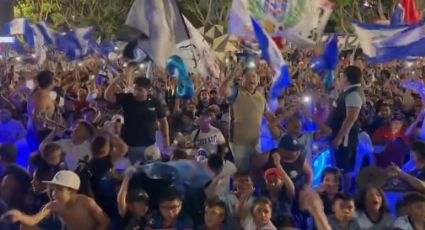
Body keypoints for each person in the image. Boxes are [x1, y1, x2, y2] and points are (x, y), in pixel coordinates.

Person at [2, 170, 110, 230]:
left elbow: (105, 222)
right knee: (25, 227)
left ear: (71, 191)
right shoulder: (52, 206)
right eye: (53, 189)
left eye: (59, 190)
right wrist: (20, 216)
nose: (54, 193)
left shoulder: (86, 202)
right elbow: (34, 220)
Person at [104, 69, 170, 164]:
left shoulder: (154, 101)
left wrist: (166, 138)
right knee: (133, 172)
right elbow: (107, 96)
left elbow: (163, 121)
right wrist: (118, 78)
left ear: (147, 90)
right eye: (135, 88)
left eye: (140, 90)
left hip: (150, 145)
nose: (136, 92)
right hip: (130, 146)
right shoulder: (127, 98)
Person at [220, 65, 266, 172]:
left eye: (254, 76)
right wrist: (232, 75)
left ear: (258, 80)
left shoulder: (261, 97)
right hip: (239, 143)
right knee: (242, 173)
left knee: (256, 172)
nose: (251, 79)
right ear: (242, 79)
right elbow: (223, 91)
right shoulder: (236, 92)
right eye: (248, 77)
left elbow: (269, 115)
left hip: (256, 142)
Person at [328, 66, 365, 193]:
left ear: (347, 78)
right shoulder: (346, 92)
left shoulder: (354, 94)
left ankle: (347, 192)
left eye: (342, 76)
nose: (340, 78)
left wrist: (339, 138)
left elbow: (351, 118)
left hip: (345, 139)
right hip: (339, 136)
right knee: (339, 166)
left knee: (345, 168)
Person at [26, 70, 56, 151]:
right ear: (51, 81)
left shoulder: (39, 93)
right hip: (39, 135)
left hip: (36, 134)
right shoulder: (42, 95)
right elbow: (38, 116)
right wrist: (47, 131)